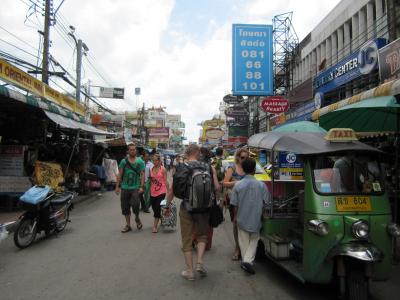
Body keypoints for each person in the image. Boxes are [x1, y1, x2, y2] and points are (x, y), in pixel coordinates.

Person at [166, 144, 219, 281]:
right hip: (204, 209)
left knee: (187, 239)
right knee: (202, 236)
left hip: (187, 208)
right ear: (198, 153)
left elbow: (172, 191)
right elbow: (217, 188)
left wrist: (167, 205)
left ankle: (189, 271)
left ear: (187, 153)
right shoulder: (209, 167)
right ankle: (200, 262)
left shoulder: (182, 167)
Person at [230, 157, 271, 275]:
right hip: (256, 218)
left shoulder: (238, 185)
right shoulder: (262, 185)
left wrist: (235, 217)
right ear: (254, 170)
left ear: (242, 169)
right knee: (254, 240)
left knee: (243, 242)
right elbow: (266, 203)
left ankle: (246, 261)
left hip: (241, 218)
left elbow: (235, 204)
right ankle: (248, 262)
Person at [223, 147, 249, 261]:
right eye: (242, 157)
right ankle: (237, 248)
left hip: (248, 199)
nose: (244, 159)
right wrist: (237, 182)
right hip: (235, 200)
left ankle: (246, 248)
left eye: (247, 157)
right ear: (238, 157)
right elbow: (225, 183)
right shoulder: (232, 168)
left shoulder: (249, 168)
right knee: (236, 224)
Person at [115, 144, 145, 233]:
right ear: (128, 151)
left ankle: (137, 217)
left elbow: (142, 174)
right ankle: (128, 225)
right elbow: (119, 174)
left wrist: (141, 187)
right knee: (125, 207)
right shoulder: (123, 162)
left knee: (136, 204)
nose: (133, 151)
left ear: (136, 151)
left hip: (135, 187)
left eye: (134, 149)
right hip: (124, 187)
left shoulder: (140, 161)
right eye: (131, 150)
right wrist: (117, 186)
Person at [149, 153, 169, 233]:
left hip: (162, 191)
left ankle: (155, 226)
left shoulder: (163, 169)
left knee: (157, 208)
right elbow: (151, 180)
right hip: (153, 191)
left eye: (156, 160)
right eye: (153, 160)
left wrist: (168, 192)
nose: (154, 162)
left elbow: (165, 180)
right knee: (154, 208)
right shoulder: (151, 169)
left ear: (159, 161)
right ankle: (161, 218)